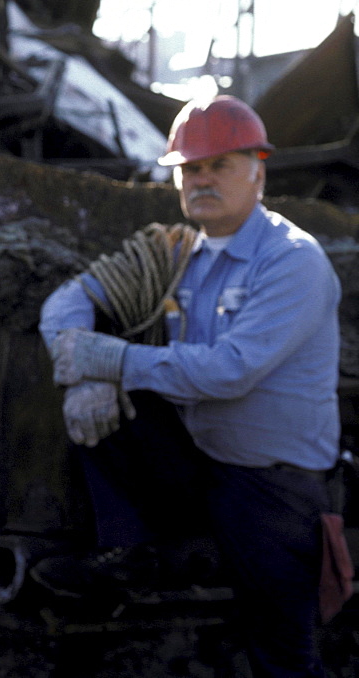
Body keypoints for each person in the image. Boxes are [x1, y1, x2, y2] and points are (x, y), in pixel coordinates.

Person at [32, 95, 341, 677]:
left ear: (258, 168)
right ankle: (128, 557)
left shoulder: (292, 260)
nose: (201, 179)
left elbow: (231, 372)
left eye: (219, 164)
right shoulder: (178, 255)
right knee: (109, 403)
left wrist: (112, 360)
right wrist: (81, 379)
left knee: (282, 657)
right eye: (190, 168)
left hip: (270, 488)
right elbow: (66, 304)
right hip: (199, 466)